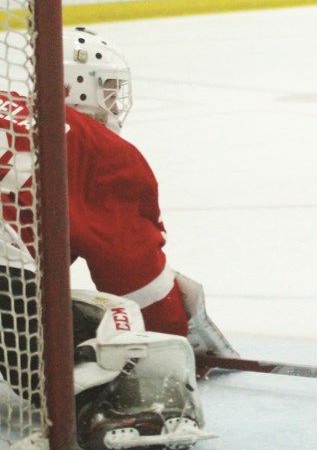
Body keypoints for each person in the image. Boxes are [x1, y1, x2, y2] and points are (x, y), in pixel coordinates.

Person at [0, 27, 235, 448]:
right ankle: (123, 407)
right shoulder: (96, 146)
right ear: (74, 85)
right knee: (88, 326)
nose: (112, 101)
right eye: (107, 88)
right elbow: (141, 290)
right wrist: (175, 340)